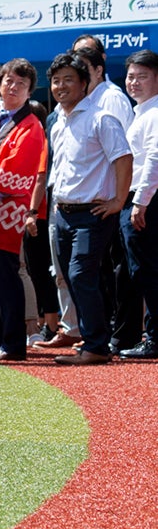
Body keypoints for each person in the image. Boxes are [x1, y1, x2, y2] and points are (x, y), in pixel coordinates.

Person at [46, 53, 133, 365]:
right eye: (56, 81)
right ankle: (91, 338)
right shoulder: (57, 123)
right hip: (63, 213)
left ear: (85, 84)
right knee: (71, 278)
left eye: (69, 79)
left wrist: (119, 200)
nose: (61, 86)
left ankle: (96, 346)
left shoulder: (101, 118)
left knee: (81, 274)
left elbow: (123, 158)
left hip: (93, 214)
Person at [0, 59, 48, 361]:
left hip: (4, 212)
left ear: (29, 91)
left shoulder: (31, 126)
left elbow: (16, 169)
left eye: (21, 84)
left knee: (7, 277)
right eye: (9, 80)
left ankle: (12, 342)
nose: (13, 87)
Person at [119, 49, 158, 359]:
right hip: (137, 200)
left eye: (142, 76)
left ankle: (155, 338)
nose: (134, 82)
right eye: (131, 76)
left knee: (147, 270)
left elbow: (154, 160)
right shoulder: (139, 111)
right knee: (142, 270)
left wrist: (140, 202)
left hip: (146, 202)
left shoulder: (155, 112)